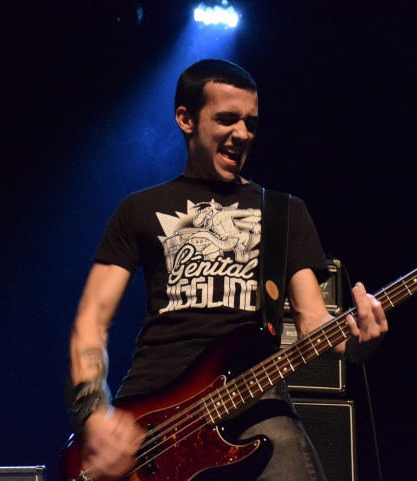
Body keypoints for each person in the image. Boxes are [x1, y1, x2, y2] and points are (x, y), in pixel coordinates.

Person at [67, 59, 388, 481]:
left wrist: (357, 342)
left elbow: (313, 322)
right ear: (186, 119)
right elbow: (91, 320)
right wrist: (93, 415)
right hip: (150, 421)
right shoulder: (138, 208)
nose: (242, 134)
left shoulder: (284, 213)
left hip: (254, 402)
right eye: (226, 119)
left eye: (250, 123)